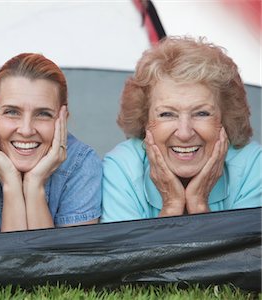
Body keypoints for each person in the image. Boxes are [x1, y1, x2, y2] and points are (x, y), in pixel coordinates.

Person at [101, 36, 262, 222]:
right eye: (167, 114)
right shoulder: (122, 168)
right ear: (144, 121)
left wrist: (199, 204)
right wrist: (171, 206)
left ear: (226, 119)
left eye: (201, 113)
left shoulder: (253, 166)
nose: (184, 133)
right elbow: (124, 252)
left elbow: (247, 251)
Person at [0, 53, 102, 234]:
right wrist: (10, 182)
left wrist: (35, 185)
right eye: (12, 112)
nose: (26, 130)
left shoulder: (81, 164)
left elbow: (73, 260)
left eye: (43, 114)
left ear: (63, 119)